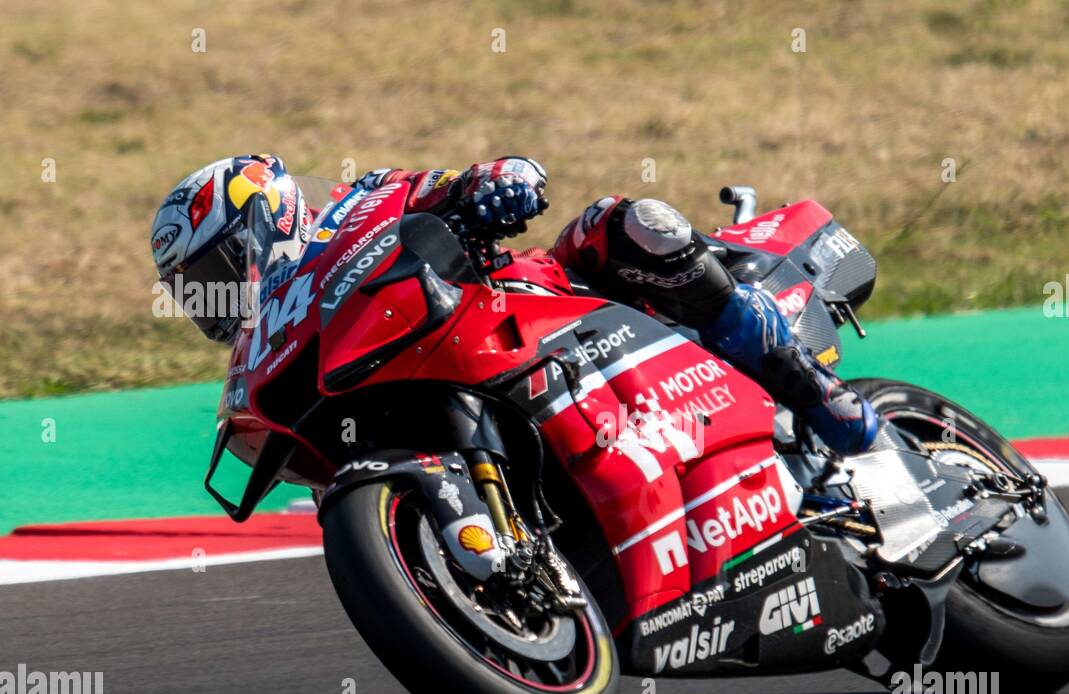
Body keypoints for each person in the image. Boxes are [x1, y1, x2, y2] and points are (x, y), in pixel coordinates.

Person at [151, 154, 876, 455]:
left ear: (262, 221)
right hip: (460, 378)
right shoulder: (278, 345)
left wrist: (498, 182)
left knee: (628, 222)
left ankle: (814, 391)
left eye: (212, 268)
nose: (208, 299)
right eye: (191, 290)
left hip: (550, 302)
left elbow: (444, 184)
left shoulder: (358, 204)